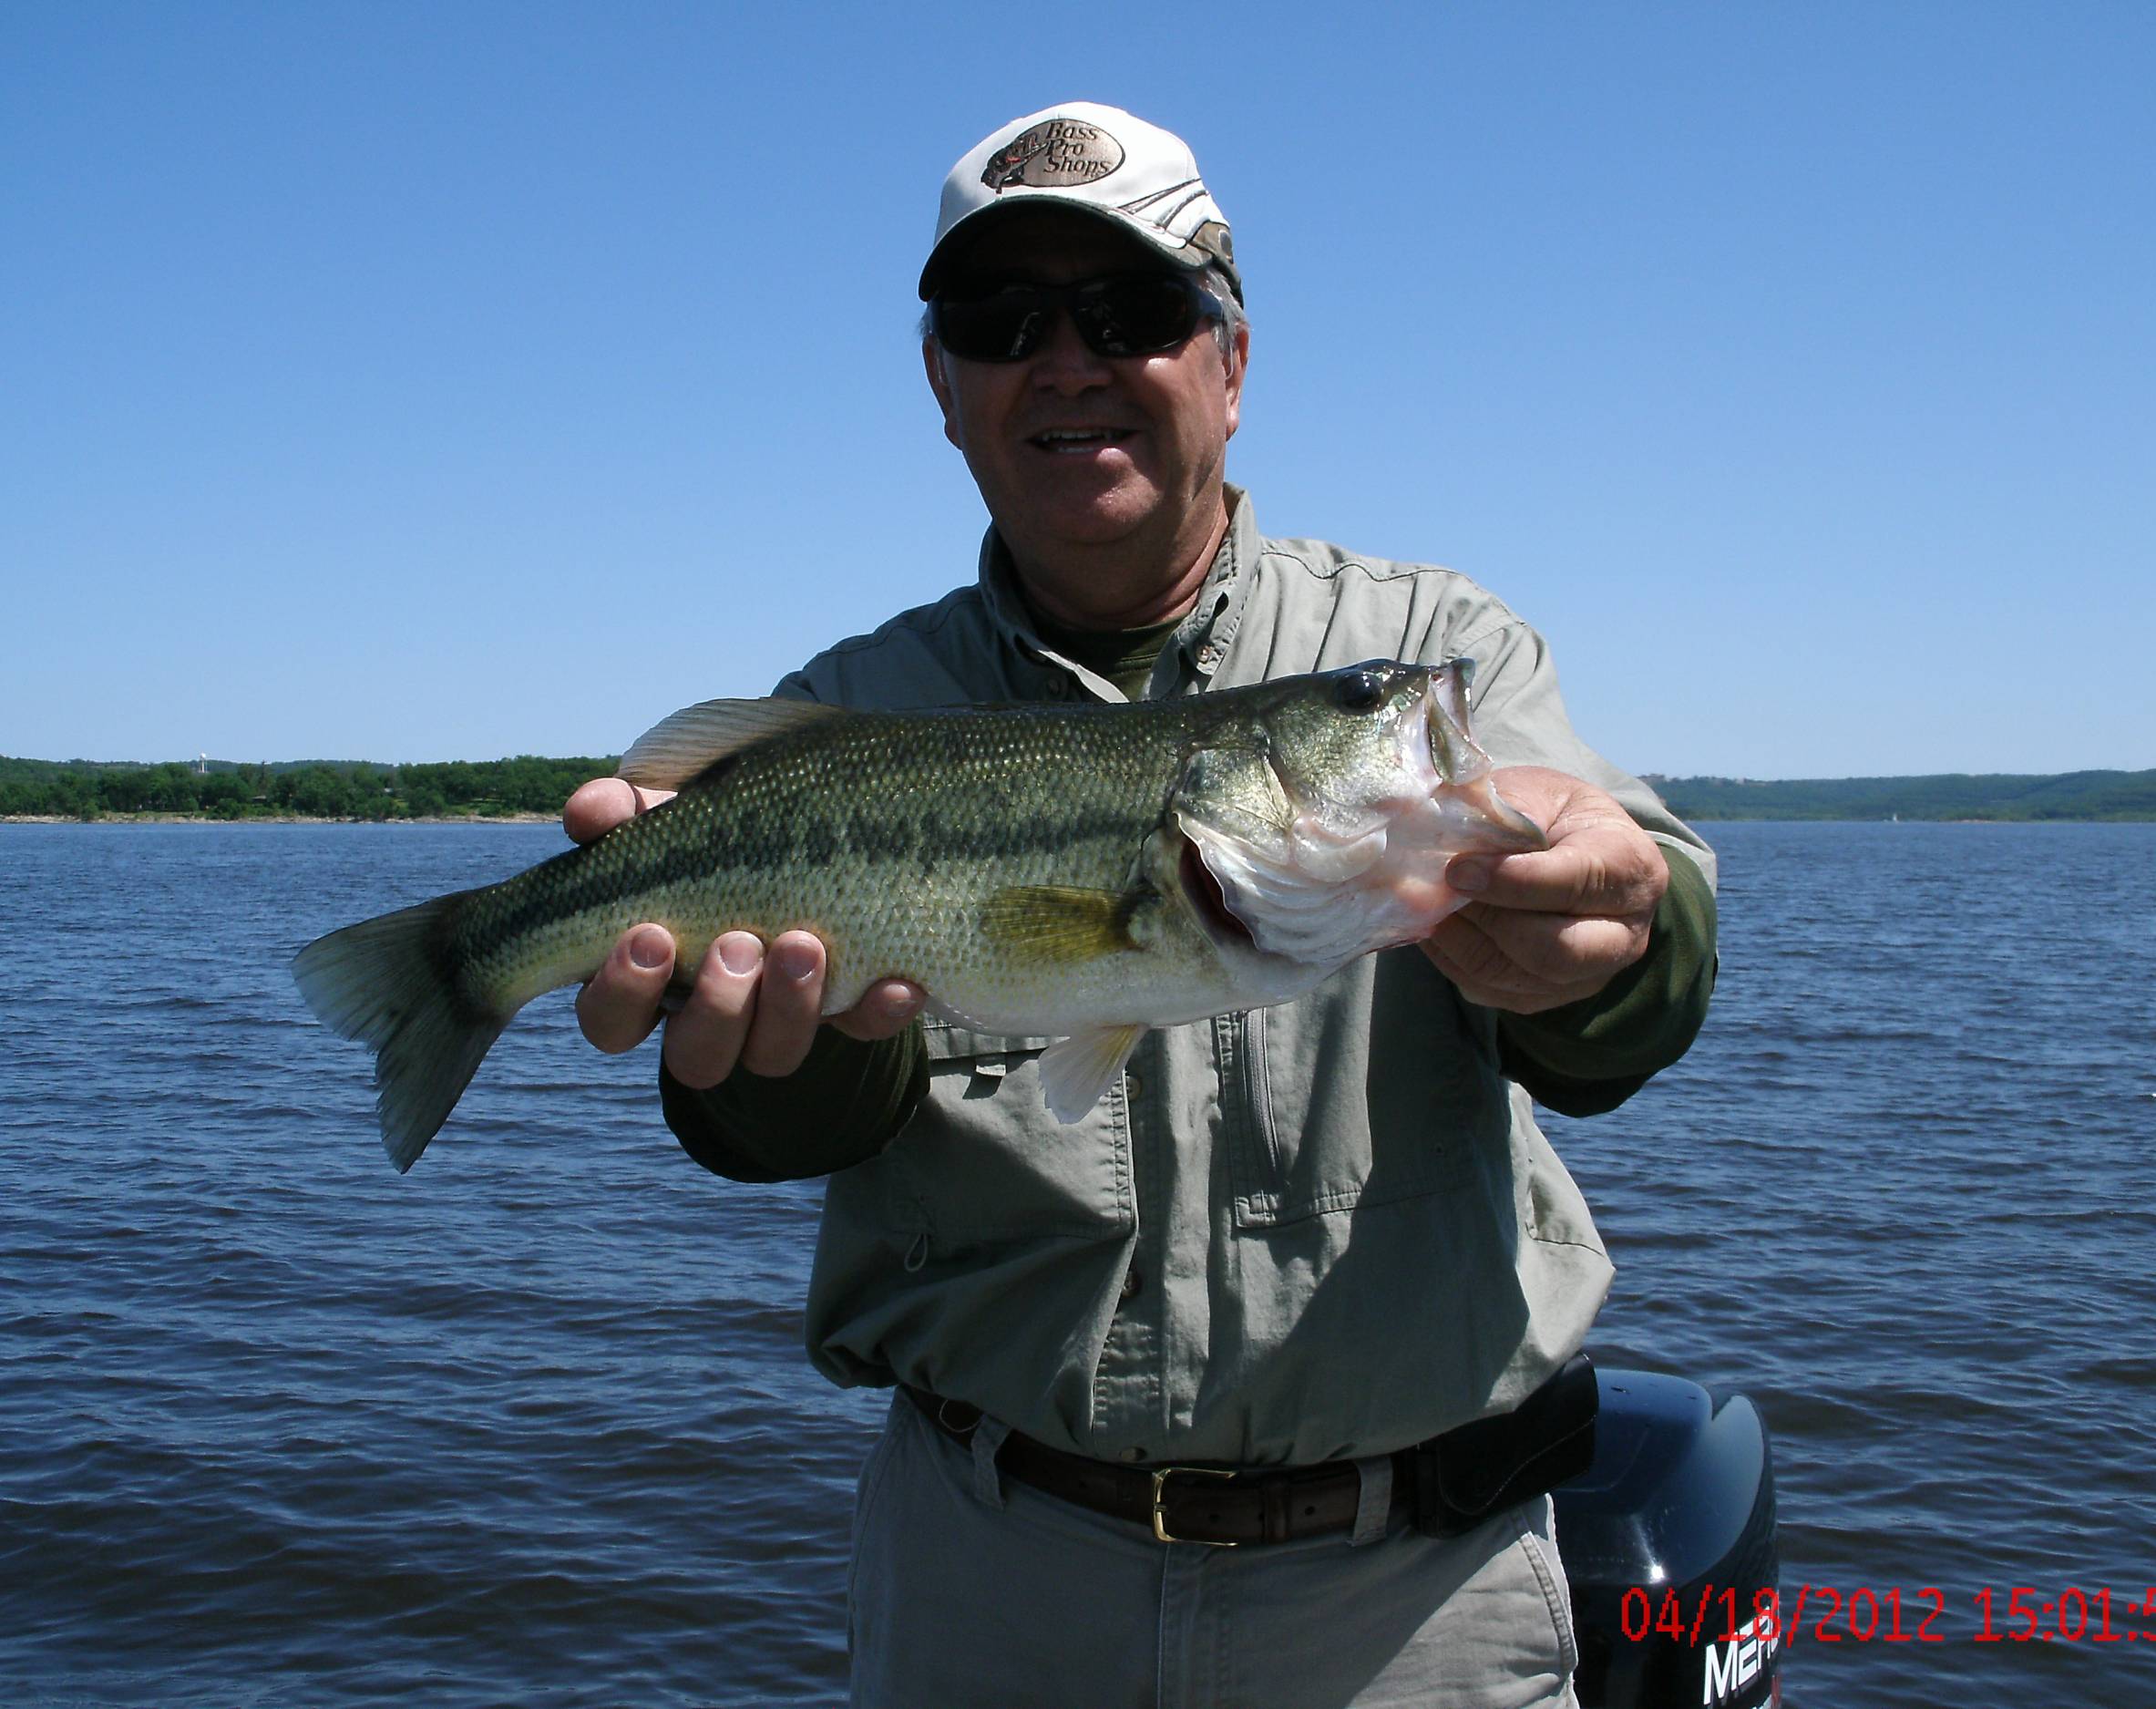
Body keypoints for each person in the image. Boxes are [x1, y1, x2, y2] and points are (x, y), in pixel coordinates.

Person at [566, 102, 1717, 1709]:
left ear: (1230, 366)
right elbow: (791, 1122)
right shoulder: (848, 713)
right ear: (943, 389)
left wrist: (1615, 949)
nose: (1068, 361)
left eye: (1131, 314)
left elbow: (1628, 974)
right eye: (1000, 323)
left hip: (1411, 1600)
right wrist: (776, 1059)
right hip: (991, 1581)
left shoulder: (1434, 644)